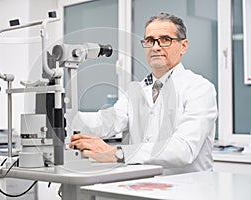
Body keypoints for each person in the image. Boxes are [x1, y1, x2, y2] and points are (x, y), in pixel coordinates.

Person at [68, 12, 218, 175]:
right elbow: (108, 121)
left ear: (183, 46)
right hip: (143, 184)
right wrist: (64, 118)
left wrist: (117, 153)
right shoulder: (137, 90)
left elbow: (184, 149)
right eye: (149, 41)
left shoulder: (200, 89)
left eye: (165, 40)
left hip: (187, 189)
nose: (155, 47)